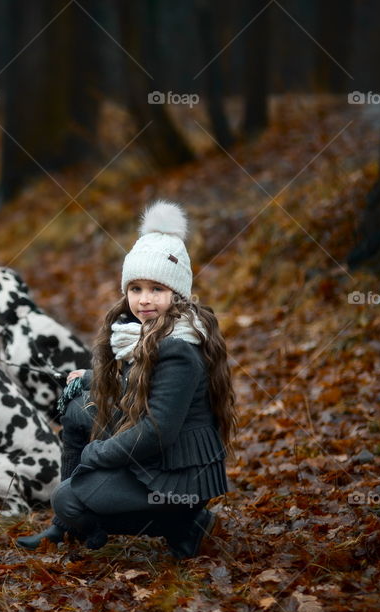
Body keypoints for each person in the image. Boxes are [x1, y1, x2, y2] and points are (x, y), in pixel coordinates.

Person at [16, 201, 237, 558]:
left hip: (178, 471)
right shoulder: (143, 333)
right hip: (163, 456)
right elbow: (141, 386)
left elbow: (157, 430)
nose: (144, 300)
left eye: (156, 289)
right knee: (76, 408)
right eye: (135, 289)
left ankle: (184, 523)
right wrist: (90, 377)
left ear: (176, 293)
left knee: (66, 498)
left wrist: (96, 454)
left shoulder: (178, 348)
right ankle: (66, 524)